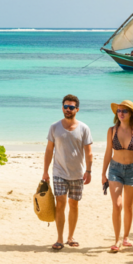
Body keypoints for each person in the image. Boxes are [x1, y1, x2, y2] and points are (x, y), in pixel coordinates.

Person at [43, 94, 94, 250]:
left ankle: (70, 237)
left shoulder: (84, 128)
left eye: (71, 107)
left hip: (77, 174)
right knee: (60, 204)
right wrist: (45, 172)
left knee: (74, 205)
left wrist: (89, 171)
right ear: (62, 108)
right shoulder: (54, 127)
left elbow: (89, 152)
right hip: (59, 172)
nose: (68, 109)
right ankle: (59, 239)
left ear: (77, 109)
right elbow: (49, 150)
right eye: (65, 106)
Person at [101, 101, 133, 252]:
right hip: (115, 170)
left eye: (124, 111)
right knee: (117, 205)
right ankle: (117, 240)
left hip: (132, 170)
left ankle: (126, 237)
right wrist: (103, 173)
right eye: (119, 111)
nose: (121, 113)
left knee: (128, 206)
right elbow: (108, 152)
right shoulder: (111, 130)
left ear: (131, 114)